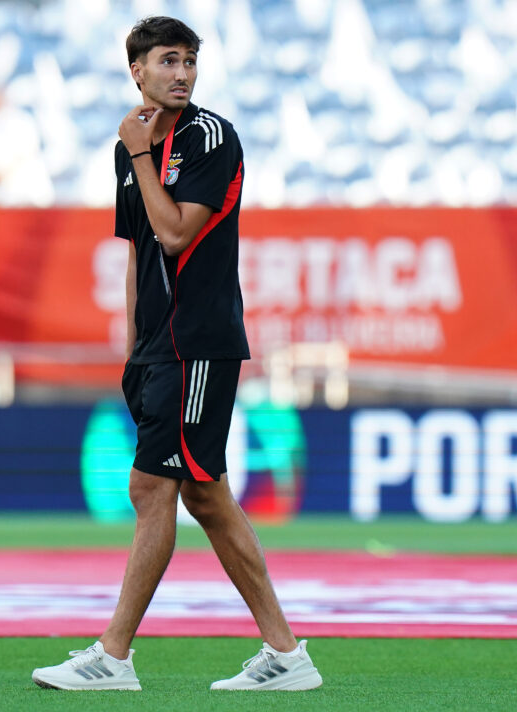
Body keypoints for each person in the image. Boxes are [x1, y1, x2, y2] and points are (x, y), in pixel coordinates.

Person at [31, 16, 322, 693]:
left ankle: (113, 657)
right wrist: (135, 350)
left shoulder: (208, 137)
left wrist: (136, 152)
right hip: (161, 346)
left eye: (190, 60)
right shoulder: (130, 146)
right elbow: (137, 252)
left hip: (199, 341)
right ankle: (286, 654)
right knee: (206, 494)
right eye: (168, 61)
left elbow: (172, 233)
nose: (183, 73)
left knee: (151, 487)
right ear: (138, 70)